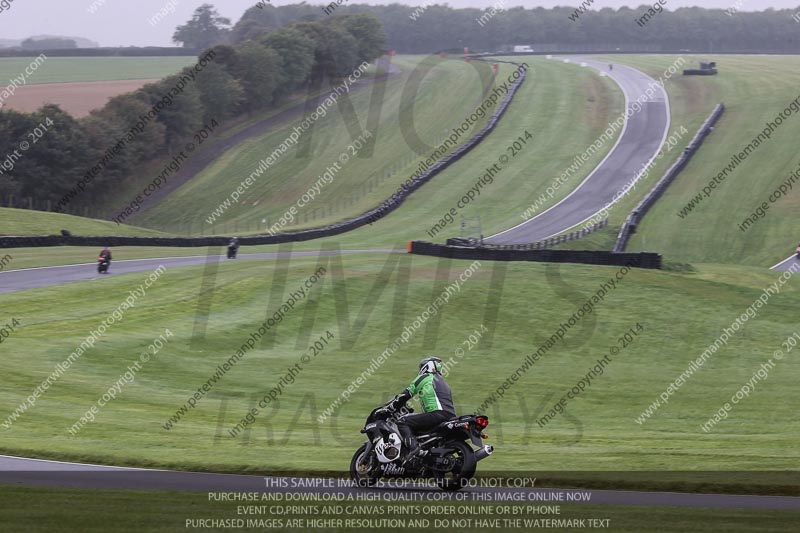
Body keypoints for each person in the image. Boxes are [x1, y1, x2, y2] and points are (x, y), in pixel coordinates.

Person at [390, 356, 456, 463]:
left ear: (426, 366)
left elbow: (407, 394)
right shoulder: (444, 383)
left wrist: (393, 405)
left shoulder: (425, 377)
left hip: (437, 415)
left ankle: (414, 449)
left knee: (402, 421)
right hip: (450, 416)